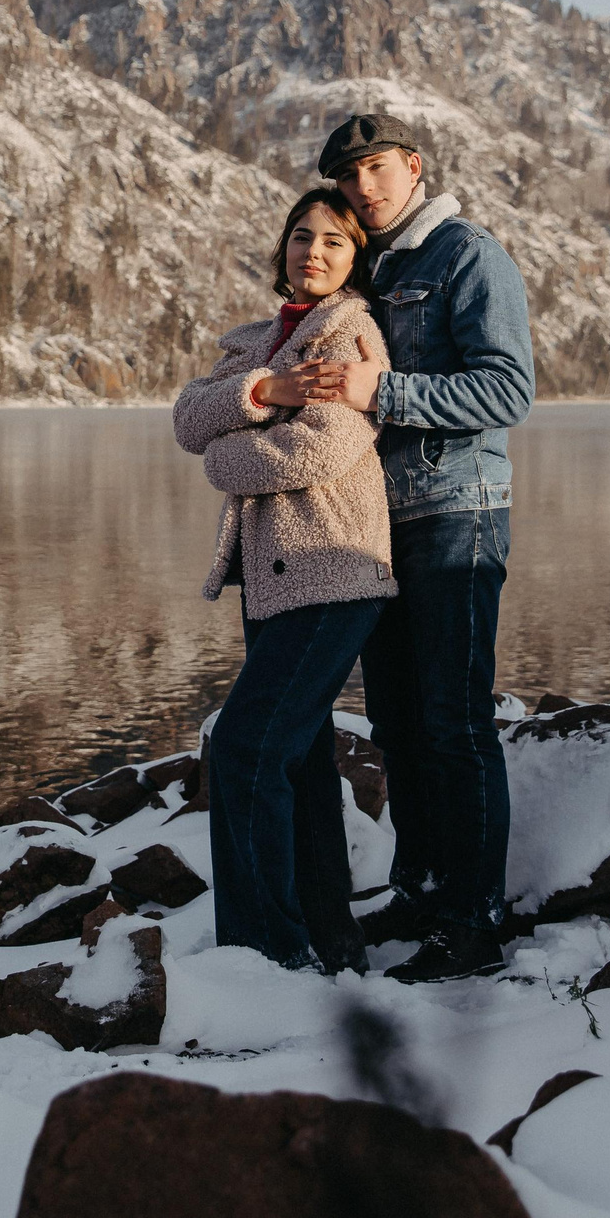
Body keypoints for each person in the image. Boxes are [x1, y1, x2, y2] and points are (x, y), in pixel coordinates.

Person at [260, 113, 535, 982]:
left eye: (375, 169)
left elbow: (508, 386)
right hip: (378, 526)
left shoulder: (467, 253)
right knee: (397, 723)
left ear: (412, 165)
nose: (362, 188)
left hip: (458, 510)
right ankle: (420, 890)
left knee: (454, 722)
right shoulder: (373, 270)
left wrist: (388, 388)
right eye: (349, 178)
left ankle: (474, 920)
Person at [172, 188, 398, 973]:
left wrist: (227, 455)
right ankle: (331, 941)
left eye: (336, 241)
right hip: (273, 580)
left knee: (244, 747)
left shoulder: (351, 334)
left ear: (354, 259)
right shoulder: (264, 341)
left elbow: (312, 452)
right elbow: (187, 419)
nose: (315, 252)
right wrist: (266, 392)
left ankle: (260, 952)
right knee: (295, 760)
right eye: (303, 237)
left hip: (333, 571)